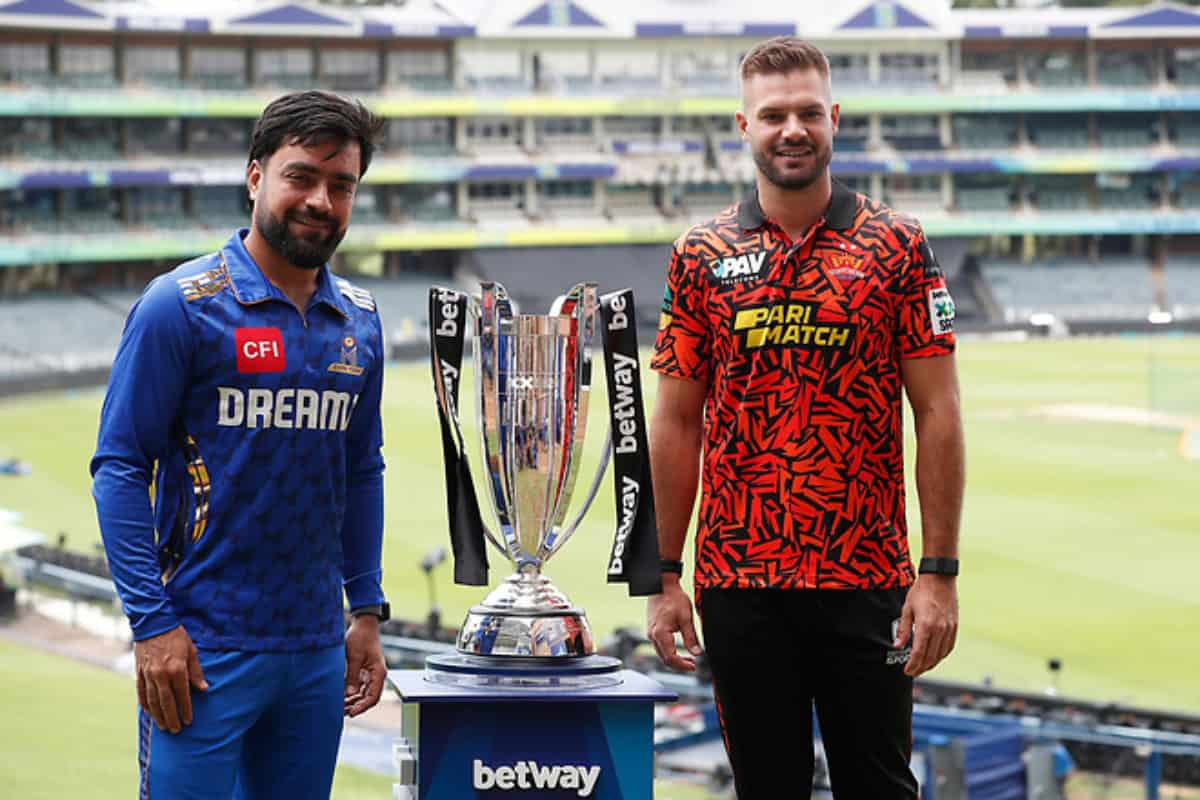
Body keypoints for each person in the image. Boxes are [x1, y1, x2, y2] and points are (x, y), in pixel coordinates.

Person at [646, 37, 964, 799]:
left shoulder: (898, 244)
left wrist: (940, 575)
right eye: (774, 115)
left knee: (881, 788)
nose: (793, 129)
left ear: (835, 119)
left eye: (809, 113)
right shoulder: (699, 253)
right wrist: (662, 576)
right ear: (743, 125)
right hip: (739, 579)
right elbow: (676, 423)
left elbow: (938, 411)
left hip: (867, 577)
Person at [91, 91, 390, 800]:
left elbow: (362, 469)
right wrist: (152, 626)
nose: (320, 200)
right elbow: (118, 468)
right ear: (256, 176)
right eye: (301, 177)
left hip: (315, 650)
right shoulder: (181, 305)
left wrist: (367, 613)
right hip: (199, 648)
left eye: (340, 185)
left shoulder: (362, 321)